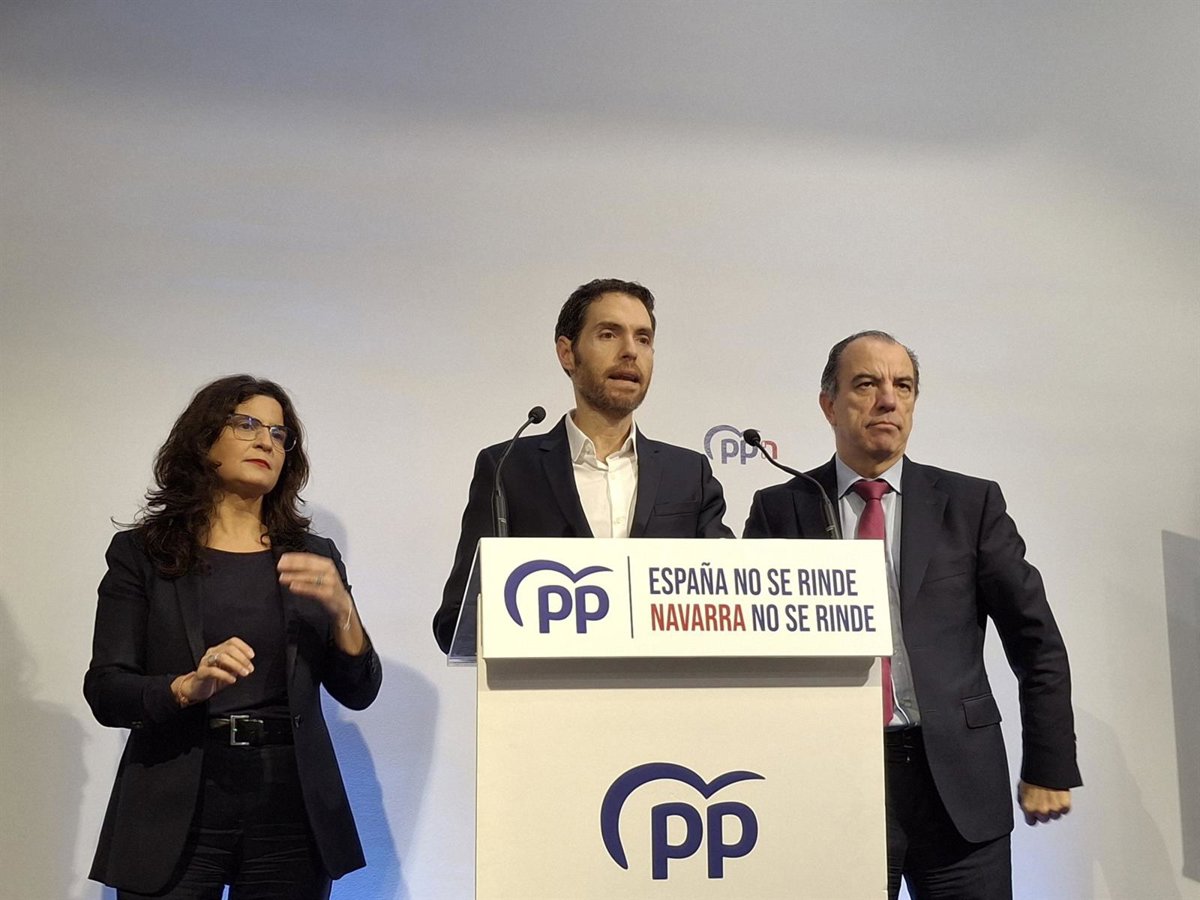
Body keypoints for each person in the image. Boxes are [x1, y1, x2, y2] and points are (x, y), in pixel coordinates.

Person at [743, 331, 1080, 900]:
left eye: (903, 386)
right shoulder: (782, 509)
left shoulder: (970, 504)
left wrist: (1049, 764)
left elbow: (1037, 642)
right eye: (866, 384)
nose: (887, 400)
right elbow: (754, 657)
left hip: (959, 789)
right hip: (833, 783)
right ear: (829, 404)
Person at [84, 375, 382, 899]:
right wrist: (186, 687)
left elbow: (359, 691)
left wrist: (343, 613)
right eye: (247, 425)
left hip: (290, 804)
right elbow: (107, 690)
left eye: (279, 433)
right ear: (204, 441)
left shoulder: (314, 556)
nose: (266, 441)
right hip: (177, 793)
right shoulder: (143, 553)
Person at [434, 278, 733, 652]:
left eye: (643, 339)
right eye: (609, 334)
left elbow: (731, 601)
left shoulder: (689, 474)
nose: (630, 351)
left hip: (666, 685)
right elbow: (455, 621)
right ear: (567, 353)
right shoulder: (508, 469)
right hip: (547, 684)